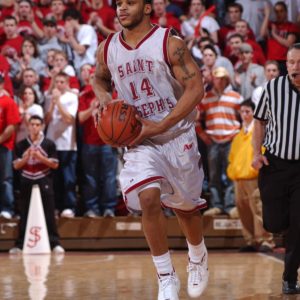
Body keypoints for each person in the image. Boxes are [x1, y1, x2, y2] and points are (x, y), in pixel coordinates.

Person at [93, 0, 208, 298]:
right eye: (119, 3)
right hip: (138, 137)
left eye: (129, 3)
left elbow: (196, 88)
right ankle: (166, 276)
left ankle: (197, 255)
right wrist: (106, 100)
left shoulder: (169, 43)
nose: (121, 8)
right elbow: (99, 78)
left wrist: (160, 126)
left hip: (176, 135)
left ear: (147, 8)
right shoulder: (107, 48)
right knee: (148, 198)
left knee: (186, 209)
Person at [252, 43, 300, 294]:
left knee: (298, 224)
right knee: (274, 222)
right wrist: (255, 154)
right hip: (275, 164)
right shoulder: (273, 88)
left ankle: (289, 277)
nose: (295, 67)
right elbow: (259, 122)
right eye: (291, 62)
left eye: (299, 63)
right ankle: (281, 228)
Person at [10, 115, 64, 255]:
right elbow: (16, 166)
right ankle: (20, 244)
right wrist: (27, 157)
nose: (34, 127)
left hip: (44, 179)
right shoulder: (21, 145)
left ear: (41, 127)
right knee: (24, 213)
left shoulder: (49, 144)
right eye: (32, 124)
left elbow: (55, 164)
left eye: (37, 124)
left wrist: (40, 158)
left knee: (49, 212)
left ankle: (55, 243)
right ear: (28, 126)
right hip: (26, 179)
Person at [227, 100, 275, 253]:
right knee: (243, 210)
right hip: (239, 179)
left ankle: (266, 240)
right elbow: (232, 157)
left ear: (254, 112)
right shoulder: (239, 135)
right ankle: (251, 240)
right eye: (242, 111)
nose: (245, 114)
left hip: (254, 177)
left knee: (258, 210)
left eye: (247, 111)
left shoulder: (258, 132)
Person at [197, 67, 243, 218]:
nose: (220, 81)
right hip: (214, 141)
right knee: (214, 174)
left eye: (223, 78)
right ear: (213, 79)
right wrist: (203, 136)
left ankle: (230, 205)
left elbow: (245, 118)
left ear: (227, 80)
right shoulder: (206, 98)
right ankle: (217, 205)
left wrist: (239, 137)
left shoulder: (236, 97)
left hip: (231, 140)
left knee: (230, 174)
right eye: (217, 78)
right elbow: (196, 120)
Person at [0, 74, 21, 219]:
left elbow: (12, 125)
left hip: (4, 145)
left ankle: (7, 208)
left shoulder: (8, 101)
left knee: (6, 178)